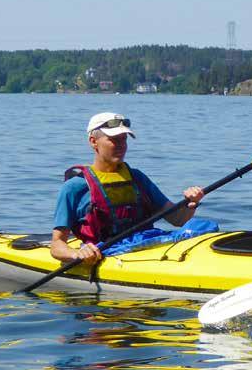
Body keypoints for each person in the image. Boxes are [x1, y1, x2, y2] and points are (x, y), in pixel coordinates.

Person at [50, 112, 205, 264]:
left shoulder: (137, 178)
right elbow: (56, 245)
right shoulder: (74, 187)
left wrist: (191, 203)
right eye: (114, 140)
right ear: (93, 141)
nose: (121, 146)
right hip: (105, 255)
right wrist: (77, 253)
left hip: (147, 246)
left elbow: (178, 219)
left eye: (123, 139)